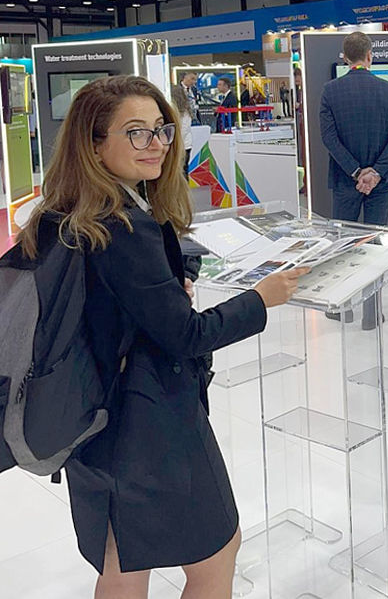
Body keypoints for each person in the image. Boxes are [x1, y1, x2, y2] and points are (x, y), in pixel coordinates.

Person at [19, 75, 307, 599]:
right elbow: (187, 335)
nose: (155, 144)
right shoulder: (123, 226)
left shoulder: (64, 212)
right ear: (94, 144)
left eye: (161, 130)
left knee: (122, 563)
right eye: (136, 132)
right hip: (146, 423)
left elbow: (101, 305)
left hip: (90, 416)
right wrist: (261, 298)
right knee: (216, 554)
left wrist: (161, 292)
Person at [319, 32, 388, 328]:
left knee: (344, 245)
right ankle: (372, 313)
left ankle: (343, 308)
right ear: (370, 56)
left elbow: (329, 138)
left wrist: (356, 172)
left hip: (345, 181)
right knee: (375, 245)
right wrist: (376, 172)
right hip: (381, 182)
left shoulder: (330, 91)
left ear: (345, 58)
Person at [171, 83, 193, 178]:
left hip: (182, 145)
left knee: (181, 172)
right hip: (184, 144)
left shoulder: (184, 112)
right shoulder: (185, 110)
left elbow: (183, 130)